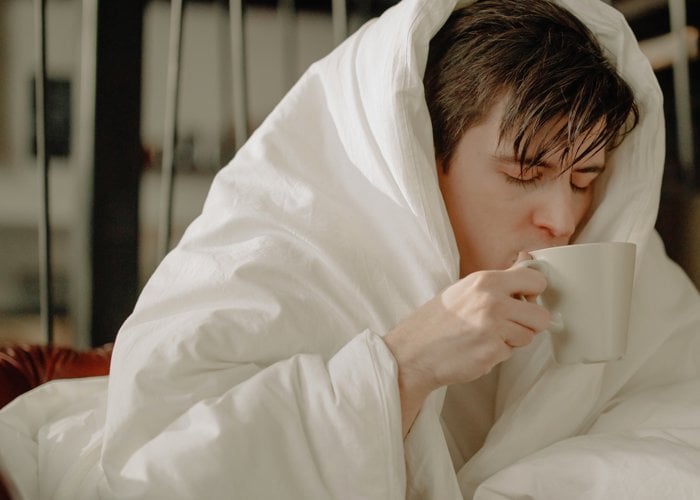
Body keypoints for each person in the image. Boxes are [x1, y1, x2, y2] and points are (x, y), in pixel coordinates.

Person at [1, 0, 699, 498]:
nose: (564, 217)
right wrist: (402, 366)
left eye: (585, 178)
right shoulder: (273, 257)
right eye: (525, 172)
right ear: (416, 154)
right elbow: (165, 475)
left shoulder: (621, 258)